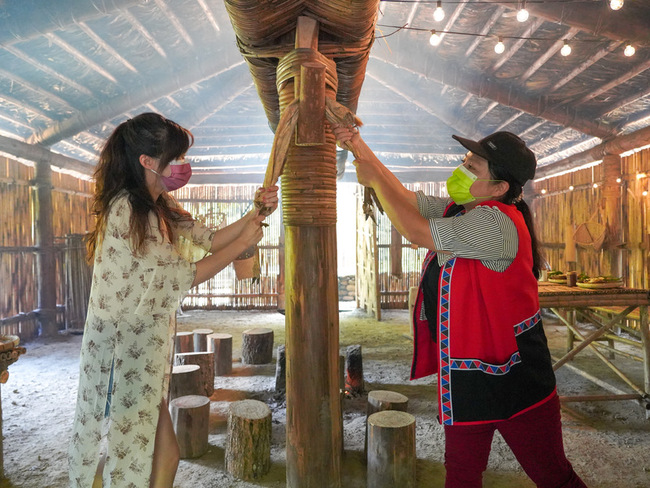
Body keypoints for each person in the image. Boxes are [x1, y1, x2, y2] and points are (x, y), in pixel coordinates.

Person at [333, 125, 587, 488]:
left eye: (474, 167)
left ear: (500, 188)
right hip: (469, 375)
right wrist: (358, 145)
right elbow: (406, 198)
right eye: (465, 161)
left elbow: (417, 231)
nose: (463, 169)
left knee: (552, 476)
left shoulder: (496, 222)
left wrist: (373, 179)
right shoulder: (460, 210)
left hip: (516, 378)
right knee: (461, 475)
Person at [68, 112, 279, 488]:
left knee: (161, 455)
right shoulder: (129, 211)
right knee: (131, 455)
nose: (183, 165)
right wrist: (244, 245)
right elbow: (184, 276)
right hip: (122, 353)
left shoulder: (158, 205)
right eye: (175, 157)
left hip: (145, 354)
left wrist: (255, 214)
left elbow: (210, 240)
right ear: (148, 162)